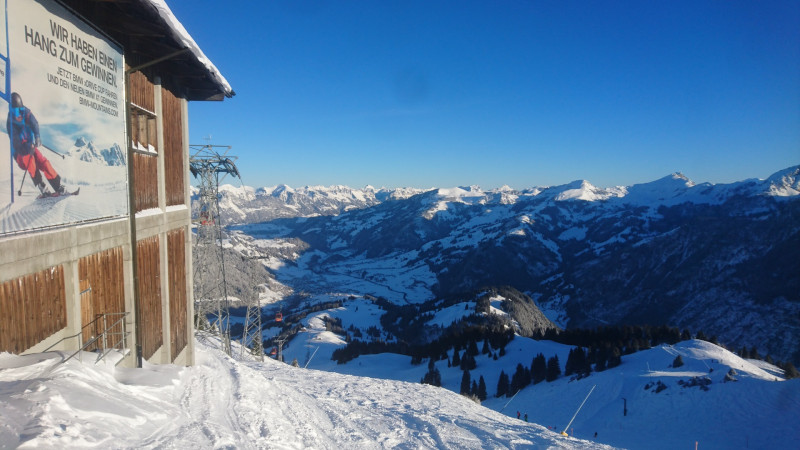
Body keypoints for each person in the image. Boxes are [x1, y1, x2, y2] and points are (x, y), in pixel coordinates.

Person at [7, 92, 67, 196]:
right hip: (20, 154)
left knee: (43, 161)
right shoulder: (10, 124)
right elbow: (16, 145)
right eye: (17, 112)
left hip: (30, 146)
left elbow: (34, 123)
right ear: (12, 112)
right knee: (30, 162)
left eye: (21, 110)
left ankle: (58, 186)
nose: (20, 114)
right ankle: (42, 186)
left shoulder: (25, 113)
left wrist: (37, 136)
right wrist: (27, 147)